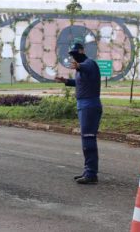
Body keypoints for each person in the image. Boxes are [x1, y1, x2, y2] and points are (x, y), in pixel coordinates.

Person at [55, 43, 102, 184]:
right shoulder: (81, 68)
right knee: (86, 140)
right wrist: (66, 81)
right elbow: (80, 83)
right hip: (84, 105)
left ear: (82, 51)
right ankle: (88, 171)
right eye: (71, 54)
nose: (73, 56)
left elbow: (87, 67)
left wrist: (79, 66)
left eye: (75, 53)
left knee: (88, 140)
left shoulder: (89, 64)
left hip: (90, 105)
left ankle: (91, 174)